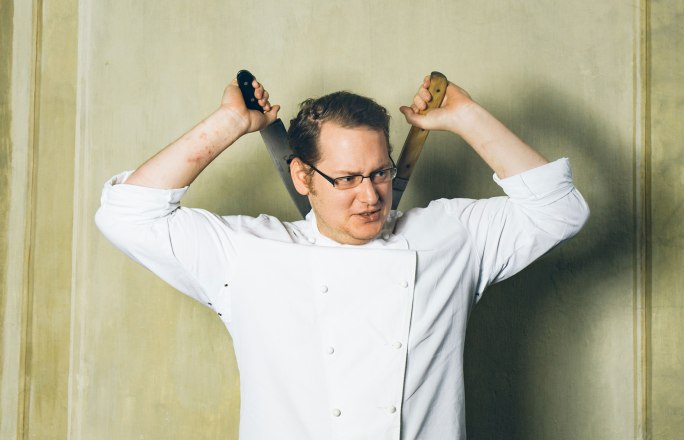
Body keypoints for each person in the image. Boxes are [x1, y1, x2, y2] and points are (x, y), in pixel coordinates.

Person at [96, 74, 589, 439]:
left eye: (379, 173)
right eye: (347, 178)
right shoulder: (247, 256)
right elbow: (127, 215)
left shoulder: (450, 239)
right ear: (301, 177)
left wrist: (465, 117)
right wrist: (231, 122)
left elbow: (559, 210)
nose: (371, 196)